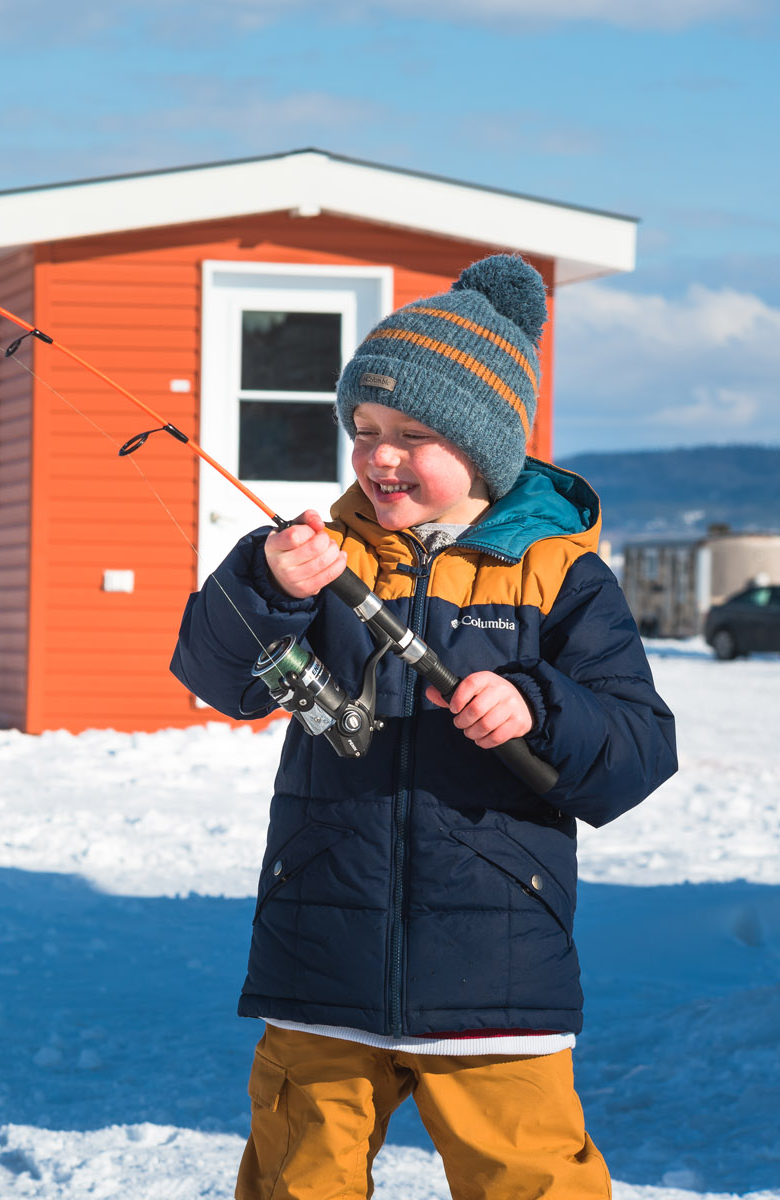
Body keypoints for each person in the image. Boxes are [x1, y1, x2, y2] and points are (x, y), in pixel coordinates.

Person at [170, 254, 678, 1200]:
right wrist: (267, 587)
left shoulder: (561, 577)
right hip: (322, 952)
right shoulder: (313, 556)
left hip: (497, 968)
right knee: (298, 1180)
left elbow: (639, 748)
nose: (380, 455)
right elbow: (215, 674)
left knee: (531, 1182)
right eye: (364, 429)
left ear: (485, 448)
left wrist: (538, 706)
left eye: (414, 434)